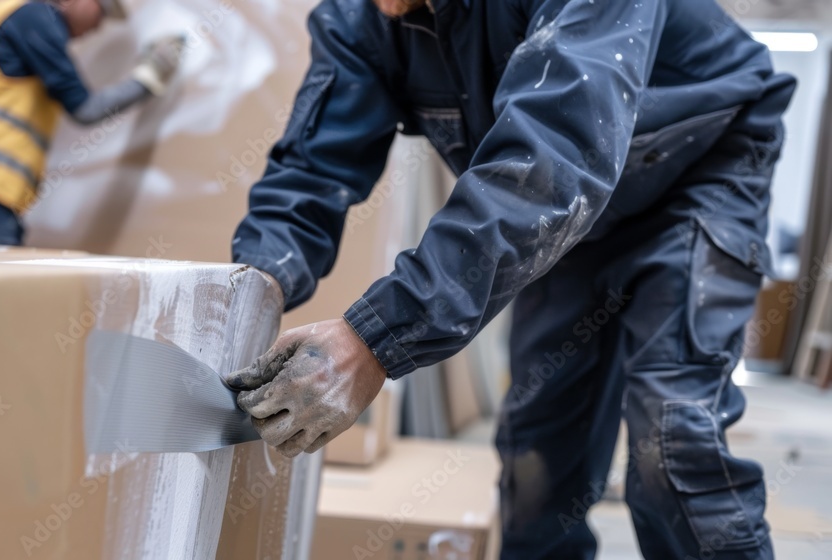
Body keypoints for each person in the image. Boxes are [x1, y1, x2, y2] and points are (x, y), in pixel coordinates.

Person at [224, 0, 796, 558]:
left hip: (696, 173)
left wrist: (373, 340)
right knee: (537, 460)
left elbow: (550, 162)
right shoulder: (363, 19)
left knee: (671, 441)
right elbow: (311, 169)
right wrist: (257, 283)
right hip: (570, 218)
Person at [0, 0, 183, 246]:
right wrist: (148, 77)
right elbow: (85, 109)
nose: (98, 26)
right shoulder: (36, 18)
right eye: (102, 10)